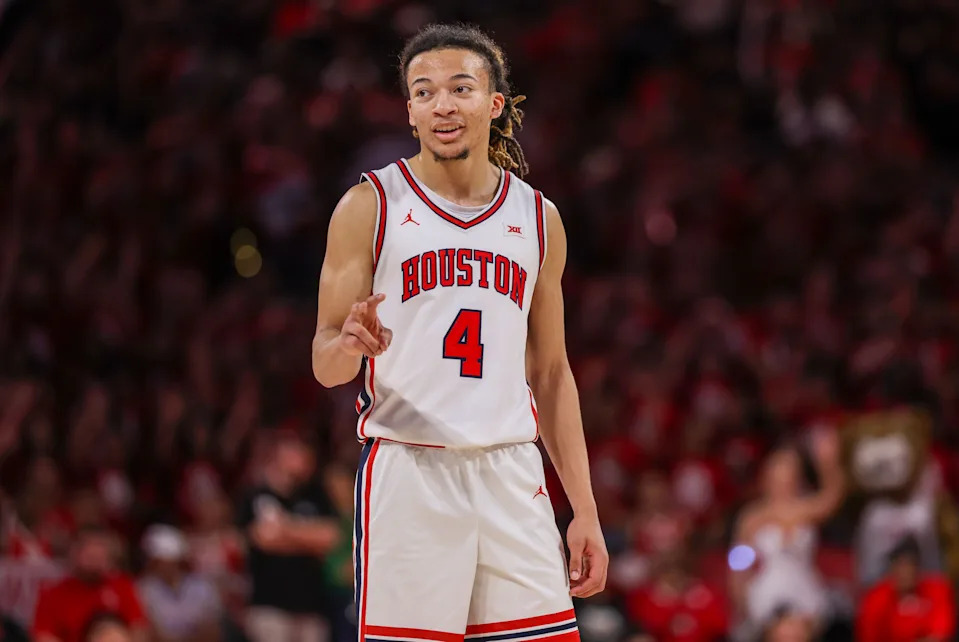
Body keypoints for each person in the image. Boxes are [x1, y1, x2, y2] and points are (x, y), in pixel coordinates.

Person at [311, 22, 607, 641]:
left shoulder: (537, 217)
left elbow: (551, 373)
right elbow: (326, 363)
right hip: (410, 469)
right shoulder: (370, 205)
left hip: (511, 470)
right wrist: (346, 346)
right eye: (423, 92)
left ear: (493, 104)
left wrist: (583, 508)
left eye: (459, 88)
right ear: (410, 112)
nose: (441, 104)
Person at [729, 428, 844, 636]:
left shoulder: (807, 509)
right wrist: (740, 597)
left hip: (805, 590)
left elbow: (833, 497)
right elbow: (739, 564)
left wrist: (828, 462)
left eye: (790, 470)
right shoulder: (753, 517)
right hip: (768, 593)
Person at [236, 430, 340, 642]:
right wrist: (309, 539)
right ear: (280, 453)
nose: (306, 457)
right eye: (298, 451)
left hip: (311, 609)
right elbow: (263, 538)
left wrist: (284, 528)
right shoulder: (256, 495)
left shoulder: (316, 495)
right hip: (269, 608)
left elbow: (331, 537)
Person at [32, 527, 147, 642]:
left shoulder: (122, 585)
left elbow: (139, 629)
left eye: (100, 552)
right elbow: (44, 637)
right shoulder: (53, 594)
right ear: (74, 553)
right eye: (90, 554)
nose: (95, 559)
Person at [856, 536, 956, 642]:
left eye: (909, 565)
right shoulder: (876, 597)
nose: (905, 572)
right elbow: (868, 637)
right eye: (900, 565)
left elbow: (941, 635)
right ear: (892, 568)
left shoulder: (937, 590)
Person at [136, 524, 221, 642]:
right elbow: (152, 633)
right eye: (158, 562)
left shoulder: (203, 587)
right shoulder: (143, 589)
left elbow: (212, 632)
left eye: (168, 561)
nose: (164, 567)